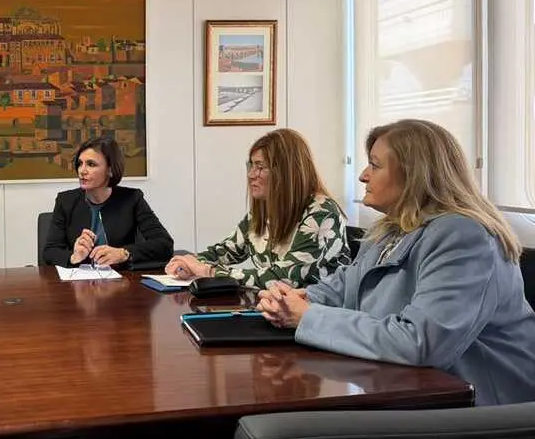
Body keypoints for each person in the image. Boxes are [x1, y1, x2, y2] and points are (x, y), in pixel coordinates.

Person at [257, 119, 535, 406]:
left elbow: (420, 342)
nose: (364, 176)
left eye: (375, 165)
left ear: (414, 174)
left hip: (483, 411)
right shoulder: (392, 229)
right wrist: (291, 300)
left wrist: (307, 316)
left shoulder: (464, 236)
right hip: (407, 389)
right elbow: (344, 288)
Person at [165, 128, 349, 289]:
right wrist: (188, 263)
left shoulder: (322, 212)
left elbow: (285, 278)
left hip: (313, 316)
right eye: (251, 165)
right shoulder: (264, 209)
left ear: (285, 172)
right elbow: (226, 251)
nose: (251, 175)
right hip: (276, 310)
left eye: (260, 167)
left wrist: (208, 271)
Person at [43, 136, 173, 268]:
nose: (82, 171)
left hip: (121, 281)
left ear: (110, 170)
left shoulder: (132, 199)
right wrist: (73, 257)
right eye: (80, 163)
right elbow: (50, 252)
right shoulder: (65, 201)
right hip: (78, 282)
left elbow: (164, 244)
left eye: (91, 164)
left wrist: (123, 253)